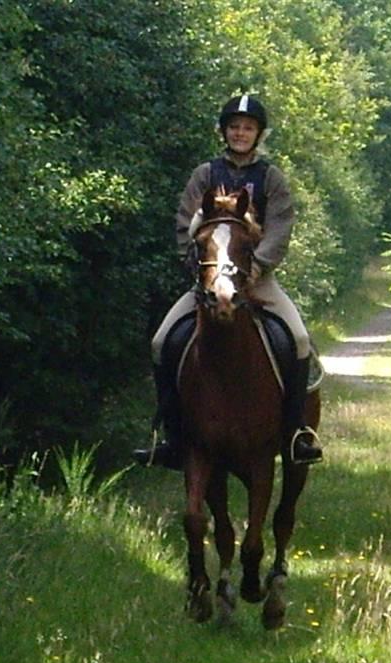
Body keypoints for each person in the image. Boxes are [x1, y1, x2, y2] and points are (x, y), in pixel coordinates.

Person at [134, 94, 322, 469]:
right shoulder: (204, 175)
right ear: (224, 131)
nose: (240, 133)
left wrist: (257, 267)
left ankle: (296, 431)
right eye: (234, 127)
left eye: (248, 128)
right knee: (160, 342)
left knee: (299, 340)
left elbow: (281, 227)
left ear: (258, 134)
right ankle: (172, 436)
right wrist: (201, 269)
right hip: (208, 282)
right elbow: (185, 223)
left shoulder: (270, 178)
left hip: (257, 281)